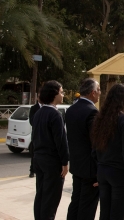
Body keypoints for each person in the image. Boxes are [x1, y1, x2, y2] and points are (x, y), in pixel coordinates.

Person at [90, 84, 124, 220]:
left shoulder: (100, 119)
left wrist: (99, 171)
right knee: (117, 214)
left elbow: (94, 150)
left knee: (105, 214)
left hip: (103, 172)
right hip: (119, 174)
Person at [32, 80, 69, 220]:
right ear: (54, 94)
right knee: (51, 199)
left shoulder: (39, 113)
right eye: (61, 91)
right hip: (52, 162)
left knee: (41, 195)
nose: (63, 94)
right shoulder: (55, 114)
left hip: (39, 159)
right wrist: (65, 162)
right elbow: (61, 141)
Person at [66, 79, 101, 220]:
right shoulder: (92, 112)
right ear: (92, 93)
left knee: (76, 202)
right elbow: (96, 144)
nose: (100, 93)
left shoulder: (71, 110)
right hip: (90, 169)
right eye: (98, 90)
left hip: (77, 166)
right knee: (87, 207)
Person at [29, 99, 42, 178]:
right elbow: (31, 121)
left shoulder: (47, 108)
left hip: (44, 135)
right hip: (36, 134)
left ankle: (39, 170)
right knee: (34, 154)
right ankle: (32, 170)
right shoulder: (34, 108)